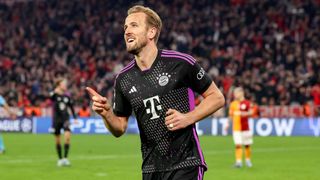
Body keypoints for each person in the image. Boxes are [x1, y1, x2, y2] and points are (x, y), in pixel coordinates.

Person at [86, 5, 225, 180]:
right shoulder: (123, 79)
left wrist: (187, 117)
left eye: (134, 25)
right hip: (150, 168)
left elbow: (217, 98)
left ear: (151, 32)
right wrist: (106, 114)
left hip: (186, 163)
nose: (127, 31)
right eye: (125, 27)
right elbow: (119, 127)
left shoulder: (180, 63)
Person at [50, 78, 78, 167]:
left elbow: (72, 107)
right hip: (56, 120)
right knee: (58, 141)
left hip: (66, 119)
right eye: (63, 84)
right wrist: (55, 91)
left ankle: (65, 158)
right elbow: (50, 97)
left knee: (67, 138)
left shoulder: (67, 97)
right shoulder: (54, 95)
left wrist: (75, 117)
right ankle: (60, 159)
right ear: (59, 85)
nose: (65, 85)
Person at [226, 87, 253, 168]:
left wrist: (245, 114)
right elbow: (230, 116)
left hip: (245, 128)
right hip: (236, 129)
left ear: (241, 93)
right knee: (238, 145)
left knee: (247, 144)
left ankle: (248, 161)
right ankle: (239, 162)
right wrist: (227, 124)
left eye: (236, 93)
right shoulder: (233, 104)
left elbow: (251, 112)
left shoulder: (247, 103)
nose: (235, 95)